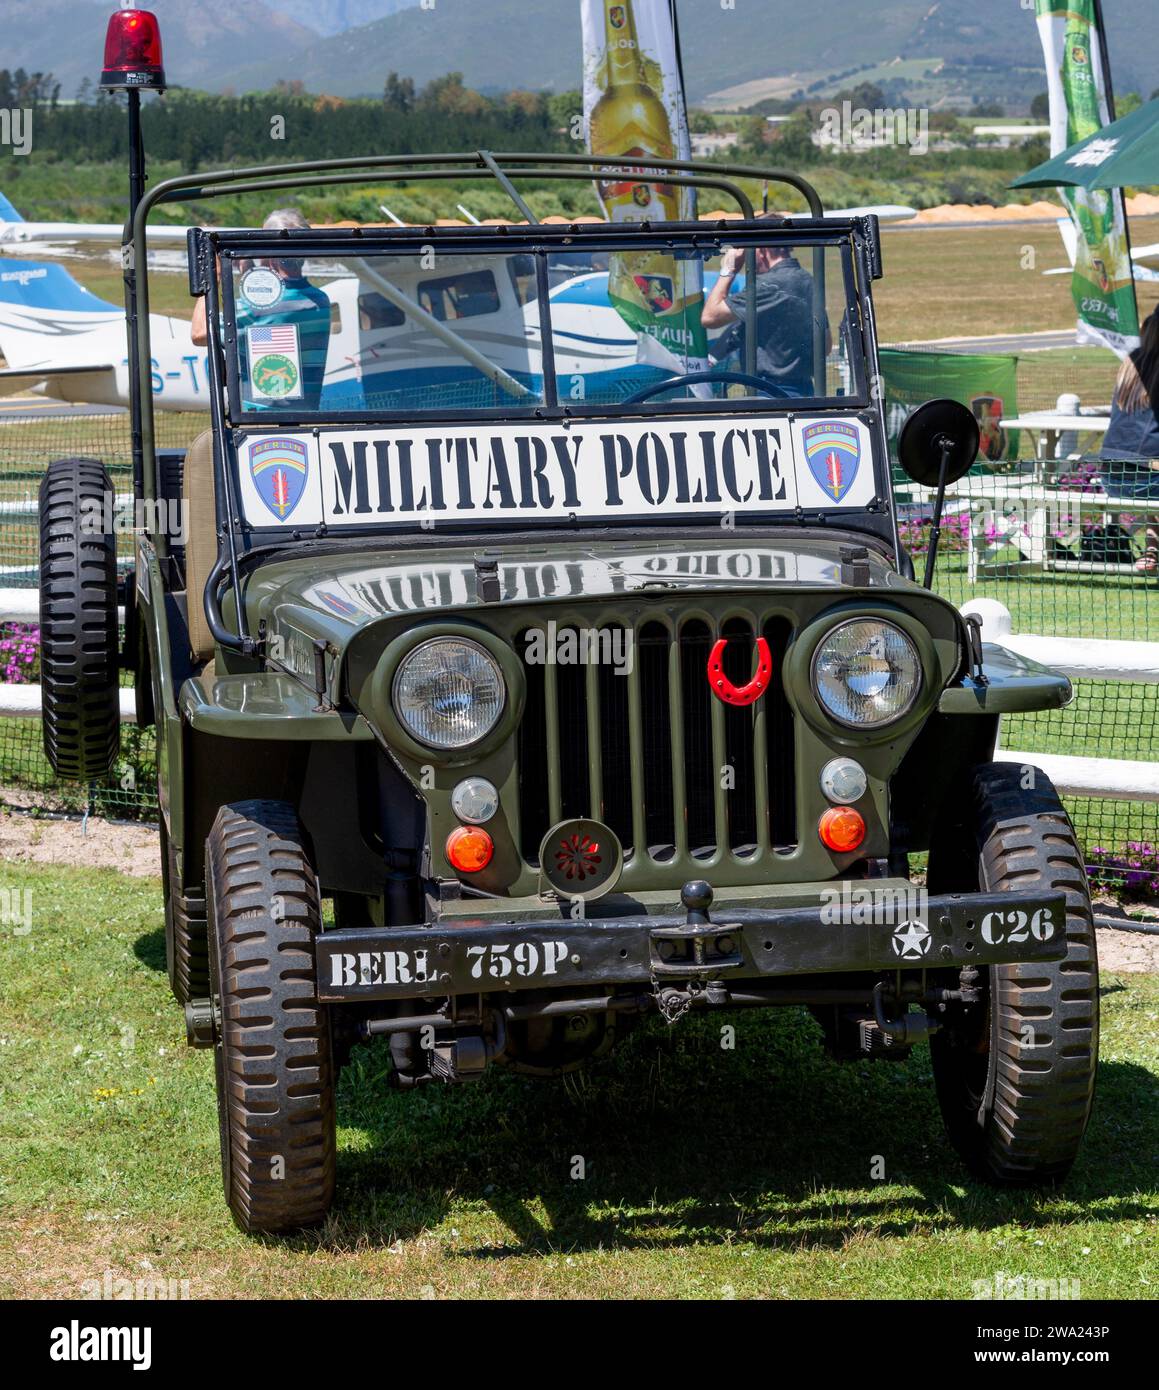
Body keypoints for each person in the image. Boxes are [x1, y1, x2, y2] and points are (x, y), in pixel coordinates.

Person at [192, 208, 331, 410]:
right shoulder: (321, 301)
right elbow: (272, 315)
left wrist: (215, 274)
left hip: (259, 419)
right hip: (302, 415)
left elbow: (199, 333)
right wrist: (252, 273)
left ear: (268, 253)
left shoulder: (252, 309)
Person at [701, 218, 831, 397]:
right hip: (804, 392)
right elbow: (826, 345)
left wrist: (729, 269)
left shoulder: (769, 285)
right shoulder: (808, 280)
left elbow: (710, 317)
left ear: (762, 249)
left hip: (768, 393)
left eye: (748, 249)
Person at [1099, 311, 1159, 572]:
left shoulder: (1130, 364)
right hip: (1146, 477)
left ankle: (1152, 552)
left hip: (1111, 473)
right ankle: (1152, 551)